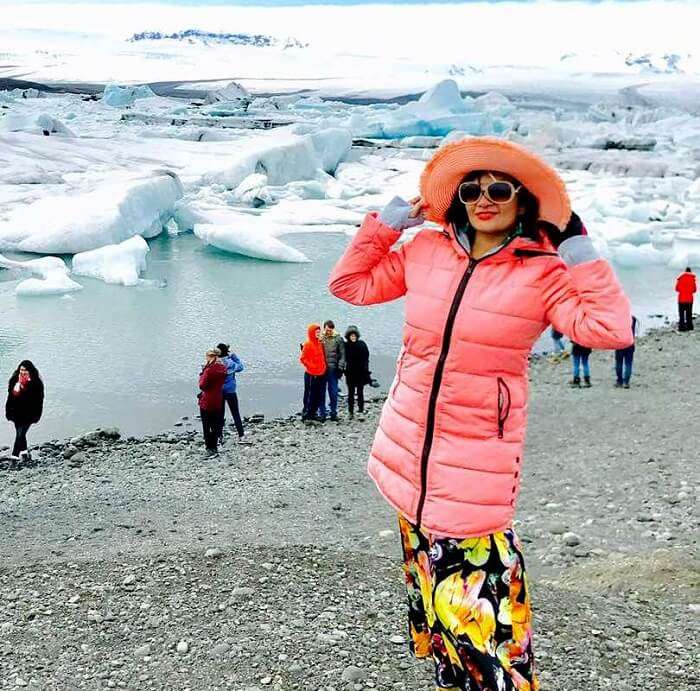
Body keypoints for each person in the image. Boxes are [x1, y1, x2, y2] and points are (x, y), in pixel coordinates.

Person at [329, 137, 632, 691]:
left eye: (498, 188)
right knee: (439, 614)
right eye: (471, 189)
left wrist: (578, 250)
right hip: (406, 456)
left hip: (475, 464)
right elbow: (350, 284)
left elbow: (610, 330)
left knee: (482, 623)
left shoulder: (543, 272)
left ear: (523, 199)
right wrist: (386, 224)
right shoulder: (425, 251)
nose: (483, 199)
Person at [5, 360, 44, 463]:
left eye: (25, 370)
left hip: (30, 412)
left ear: (30, 371)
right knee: (20, 432)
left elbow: (38, 399)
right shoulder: (14, 380)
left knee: (21, 433)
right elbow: (10, 395)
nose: (22, 372)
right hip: (16, 411)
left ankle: (14, 455)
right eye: (21, 370)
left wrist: (24, 389)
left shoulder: (36, 383)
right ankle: (24, 451)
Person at [216, 342, 248, 444]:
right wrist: (233, 356)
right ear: (227, 352)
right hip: (231, 391)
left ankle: (219, 436)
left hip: (219, 391)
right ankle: (241, 435)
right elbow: (241, 367)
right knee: (235, 413)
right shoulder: (231, 363)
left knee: (220, 414)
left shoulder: (217, 363)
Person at [198, 348, 227, 456]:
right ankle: (214, 446)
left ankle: (209, 447)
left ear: (210, 357)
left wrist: (203, 372)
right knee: (215, 423)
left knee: (206, 425)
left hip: (207, 400)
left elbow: (202, 385)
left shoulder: (208, 370)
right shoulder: (223, 369)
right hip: (218, 398)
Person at [300, 323, 327, 423]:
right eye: (316, 332)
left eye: (319, 332)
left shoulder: (319, 343)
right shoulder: (307, 344)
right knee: (309, 395)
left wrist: (323, 367)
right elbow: (303, 359)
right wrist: (312, 367)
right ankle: (306, 414)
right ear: (312, 333)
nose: (318, 333)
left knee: (317, 395)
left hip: (321, 373)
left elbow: (322, 356)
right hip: (311, 374)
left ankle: (313, 413)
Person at [319, 320, 346, 422]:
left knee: (333, 393)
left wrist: (341, 367)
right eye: (326, 330)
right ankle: (322, 413)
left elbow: (343, 355)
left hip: (333, 370)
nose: (328, 332)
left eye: (330, 330)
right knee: (321, 393)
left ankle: (333, 413)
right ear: (324, 329)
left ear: (333, 329)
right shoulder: (320, 339)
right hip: (321, 370)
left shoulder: (338, 339)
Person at [344, 325, 370, 419]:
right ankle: (350, 412)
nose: (353, 337)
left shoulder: (362, 344)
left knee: (360, 392)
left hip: (360, 373)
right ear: (348, 337)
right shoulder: (345, 346)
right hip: (350, 373)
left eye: (354, 336)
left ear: (357, 336)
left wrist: (366, 371)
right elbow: (341, 357)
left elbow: (366, 358)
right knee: (350, 393)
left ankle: (361, 410)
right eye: (351, 336)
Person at [615, 315, 638, 389]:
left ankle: (619, 381)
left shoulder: (618, 319)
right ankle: (626, 382)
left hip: (620, 343)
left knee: (619, 362)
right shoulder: (633, 319)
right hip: (630, 343)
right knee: (628, 363)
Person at [675, 266, 696, 331]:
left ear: (685, 271)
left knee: (681, 314)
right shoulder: (692, 279)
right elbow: (694, 290)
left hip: (681, 299)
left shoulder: (681, 278)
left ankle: (682, 327)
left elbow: (676, 289)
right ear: (690, 271)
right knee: (689, 314)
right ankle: (689, 327)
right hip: (689, 300)